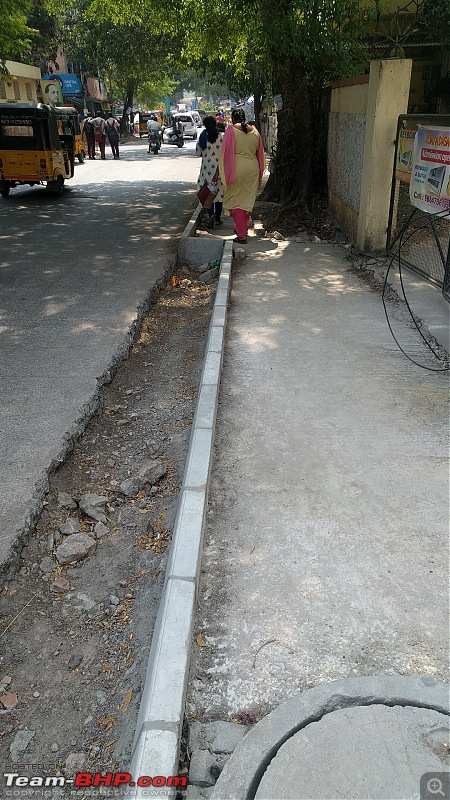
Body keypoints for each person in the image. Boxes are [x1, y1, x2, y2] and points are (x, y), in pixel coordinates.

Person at [219, 108, 265, 243]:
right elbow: (259, 153)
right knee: (246, 201)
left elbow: (225, 154)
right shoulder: (255, 131)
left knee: (236, 201)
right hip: (253, 169)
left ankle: (242, 235)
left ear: (233, 119)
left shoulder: (231, 130)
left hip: (237, 169)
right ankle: (241, 228)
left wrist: (221, 173)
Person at [196, 115, 224, 229]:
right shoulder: (221, 136)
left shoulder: (202, 136)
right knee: (219, 192)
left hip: (206, 168)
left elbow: (198, 153)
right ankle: (217, 218)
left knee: (207, 192)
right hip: (219, 168)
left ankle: (211, 214)